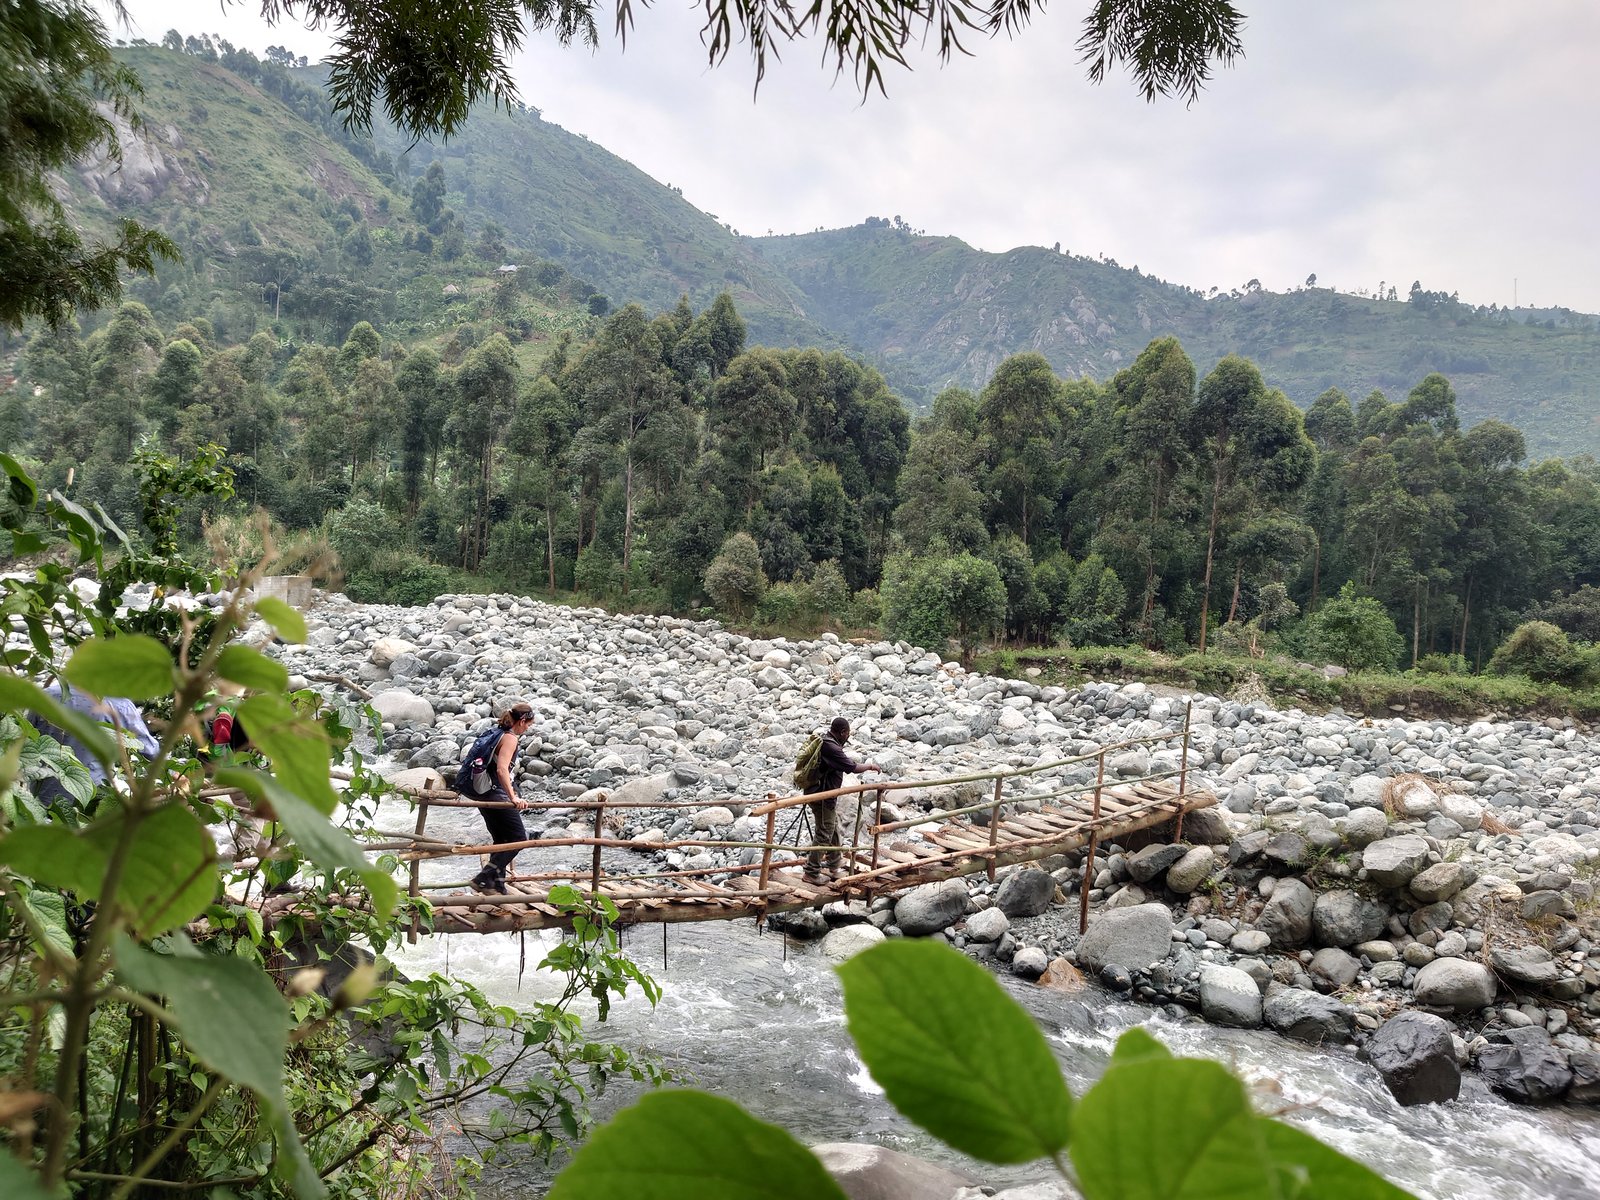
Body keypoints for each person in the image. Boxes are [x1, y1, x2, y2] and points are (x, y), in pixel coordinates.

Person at [803, 717, 882, 884]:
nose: (847, 737)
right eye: (847, 734)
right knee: (824, 832)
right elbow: (851, 767)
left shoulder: (827, 741)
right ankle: (811, 872)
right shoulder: (831, 747)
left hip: (823, 795)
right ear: (843, 732)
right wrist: (870, 766)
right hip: (822, 797)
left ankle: (834, 864)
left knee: (832, 828)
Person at [469, 700, 536, 895]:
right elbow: (501, 769)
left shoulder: (497, 733)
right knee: (519, 838)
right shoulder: (510, 738)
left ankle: (497, 882)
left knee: (501, 839)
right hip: (496, 794)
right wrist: (513, 797)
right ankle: (482, 877)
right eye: (529, 725)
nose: (528, 729)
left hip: (482, 793)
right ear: (522, 721)